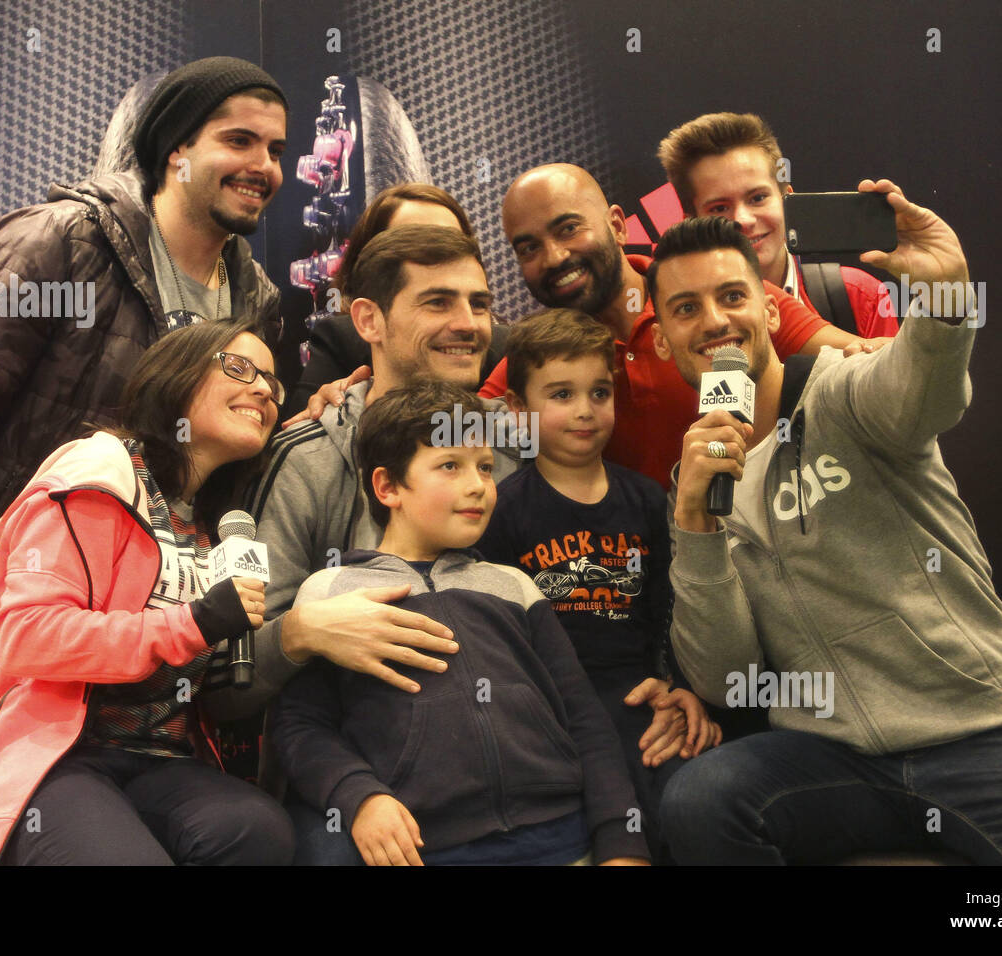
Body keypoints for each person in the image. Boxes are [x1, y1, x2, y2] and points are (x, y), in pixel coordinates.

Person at [649, 187, 1002, 865]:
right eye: (685, 308)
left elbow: (922, 390)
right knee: (701, 799)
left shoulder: (842, 393)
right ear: (664, 338)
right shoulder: (702, 481)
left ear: (767, 305)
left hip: (975, 738)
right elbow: (728, 680)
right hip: (831, 758)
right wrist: (695, 525)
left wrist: (943, 306)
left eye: (731, 296)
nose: (713, 321)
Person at [0, 56, 288, 682]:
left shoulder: (258, 300)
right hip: (10, 619)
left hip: (164, 648)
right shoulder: (64, 241)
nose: (264, 167)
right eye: (239, 141)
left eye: (277, 150)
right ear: (175, 150)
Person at [0, 318, 295, 865]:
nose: (263, 388)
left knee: (259, 832)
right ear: (176, 375)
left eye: (273, 383)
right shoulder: (99, 471)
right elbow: (26, 636)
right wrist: (191, 623)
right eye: (239, 367)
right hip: (53, 756)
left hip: (160, 760)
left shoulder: (219, 523)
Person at [273, 380, 651, 866]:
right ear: (388, 487)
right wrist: (361, 798)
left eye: (486, 467)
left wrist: (623, 843)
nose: (478, 485)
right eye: (450, 465)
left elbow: (583, 718)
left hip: (561, 837)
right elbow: (301, 726)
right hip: (426, 848)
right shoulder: (331, 594)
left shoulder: (514, 586)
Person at [236, 225, 522, 712]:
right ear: (369, 320)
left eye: (479, 304)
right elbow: (234, 679)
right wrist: (302, 631)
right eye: (438, 302)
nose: (471, 324)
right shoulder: (307, 457)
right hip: (351, 762)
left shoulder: (522, 444)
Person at [476, 308, 720, 861]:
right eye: (560, 395)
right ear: (517, 410)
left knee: (678, 786)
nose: (585, 411)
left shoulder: (645, 499)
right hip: (548, 706)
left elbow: (672, 609)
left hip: (638, 696)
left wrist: (680, 688)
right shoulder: (501, 509)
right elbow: (494, 637)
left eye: (599, 393)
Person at [483, 163, 879, 489]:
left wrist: (934, 292)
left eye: (568, 228)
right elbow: (454, 434)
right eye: (529, 248)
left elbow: (865, 364)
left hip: (771, 535)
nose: (554, 256)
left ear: (618, 225)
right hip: (654, 570)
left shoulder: (725, 300)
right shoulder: (538, 353)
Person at [657, 111, 898, 339]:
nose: (743, 219)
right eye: (719, 208)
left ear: (786, 200)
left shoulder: (860, 296)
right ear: (692, 223)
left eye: (757, 198)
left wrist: (932, 279)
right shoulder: (676, 325)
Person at [286, 183, 509, 416]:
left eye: (450, 240)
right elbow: (303, 429)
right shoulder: (340, 339)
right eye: (409, 240)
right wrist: (336, 410)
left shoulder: (507, 348)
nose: (467, 324)